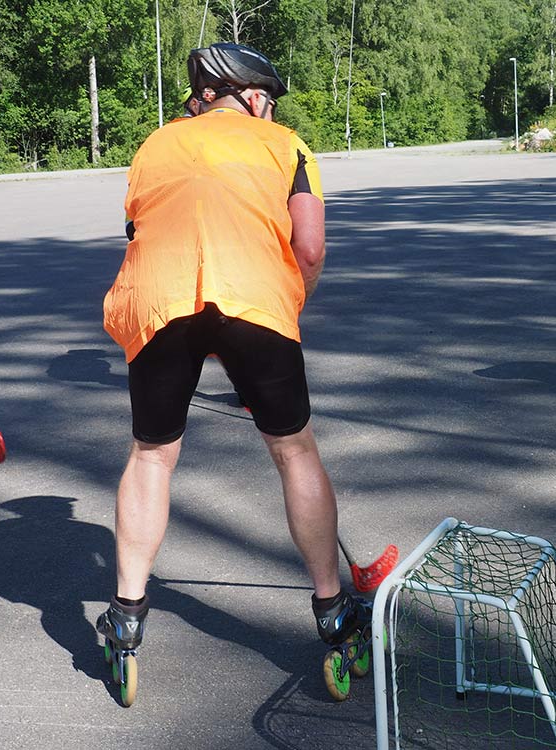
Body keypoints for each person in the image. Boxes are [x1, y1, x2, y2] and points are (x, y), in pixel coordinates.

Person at [99, 42, 365, 702]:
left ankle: (125, 621)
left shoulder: (155, 144)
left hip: (158, 306)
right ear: (250, 96)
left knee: (152, 457)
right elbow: (309, 247)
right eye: (268, 101)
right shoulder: (286, 146)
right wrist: (273, 319)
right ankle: (334, 614)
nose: (271, 112)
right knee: (294, 453)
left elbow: (143, 232)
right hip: (253, 302)